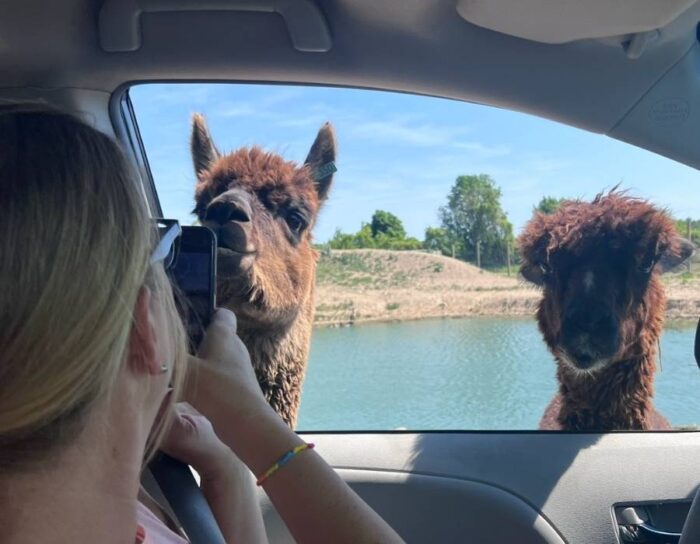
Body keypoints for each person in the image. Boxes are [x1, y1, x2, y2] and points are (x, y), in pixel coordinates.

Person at [0, 105, 403, 543]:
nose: (230, 209)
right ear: (146, 328)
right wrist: (253, 427)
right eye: (208, 210)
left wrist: (225, 469)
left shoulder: (124, 496)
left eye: (291, 219)